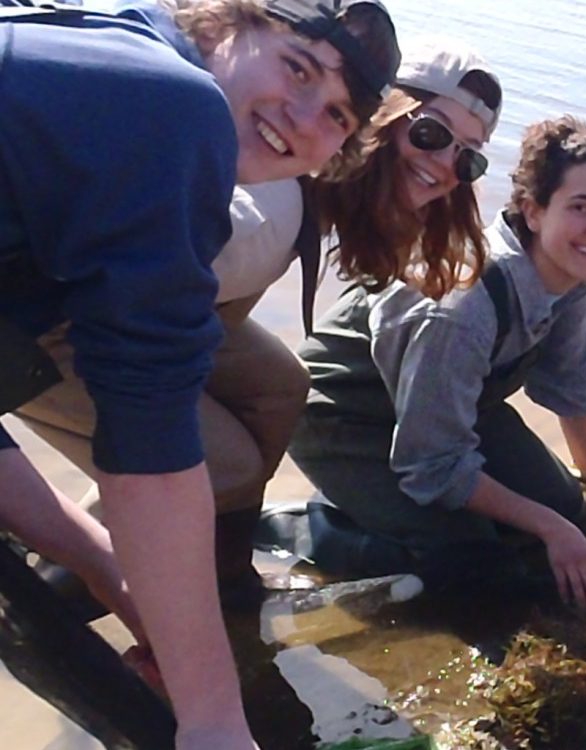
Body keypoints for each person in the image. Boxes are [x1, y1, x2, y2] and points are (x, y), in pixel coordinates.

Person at [0, 0, 398, 745]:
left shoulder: (110, 38)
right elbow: (146, 432)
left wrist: (99, 559)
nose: (306, 115)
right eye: (298, 67)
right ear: (230, 23)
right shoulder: (177, 108)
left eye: (339, 116)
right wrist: (214, 718)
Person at [288, 116, 586, 610]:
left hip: (449, 404)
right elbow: (431, 465)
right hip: (343, 415)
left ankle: (391, 507)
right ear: (532, 211)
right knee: (471, 561)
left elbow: (571, 388)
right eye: (581, 208)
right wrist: (551, 528)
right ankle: (321, 527)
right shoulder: (462, 307)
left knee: (563, 505)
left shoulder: (575, 273)